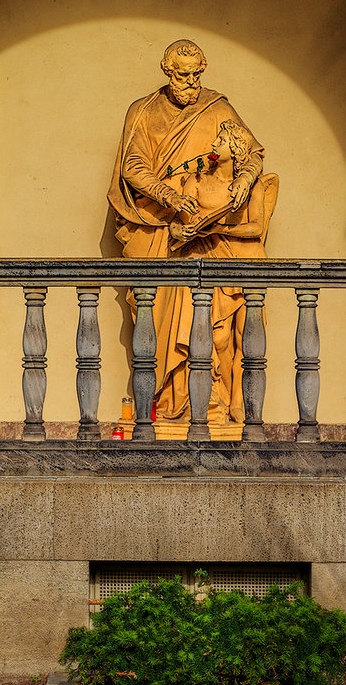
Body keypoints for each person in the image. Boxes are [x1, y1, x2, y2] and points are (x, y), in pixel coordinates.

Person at [107, 40, 277, 427]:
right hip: (158, 229)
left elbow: (250, 151)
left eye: (198, 73)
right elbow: (133, 167)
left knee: (212, 322)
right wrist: (167, 195)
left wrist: (245, 179)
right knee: (161, 312)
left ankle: (210, 403)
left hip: (206, 235)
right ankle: (168, 402)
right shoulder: (143, 111)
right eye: (184, 74)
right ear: (168, 71)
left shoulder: (216, 107)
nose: (192, 82)